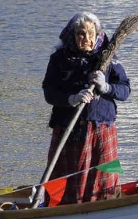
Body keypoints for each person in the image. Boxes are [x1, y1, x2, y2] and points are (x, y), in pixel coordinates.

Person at [41, 11, 131, 204]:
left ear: (98, 34)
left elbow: (125, 90)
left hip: (101, 130)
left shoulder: (107, 58)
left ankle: (106, 205)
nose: (87, 38)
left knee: (103, 176)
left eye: (91, 33)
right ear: (73, 36)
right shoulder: (59, 59)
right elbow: (49, 93)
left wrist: (106, 87)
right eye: (81, 34)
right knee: (66, 178)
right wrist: (71, 98)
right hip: (70, 130)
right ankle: (64, 209)